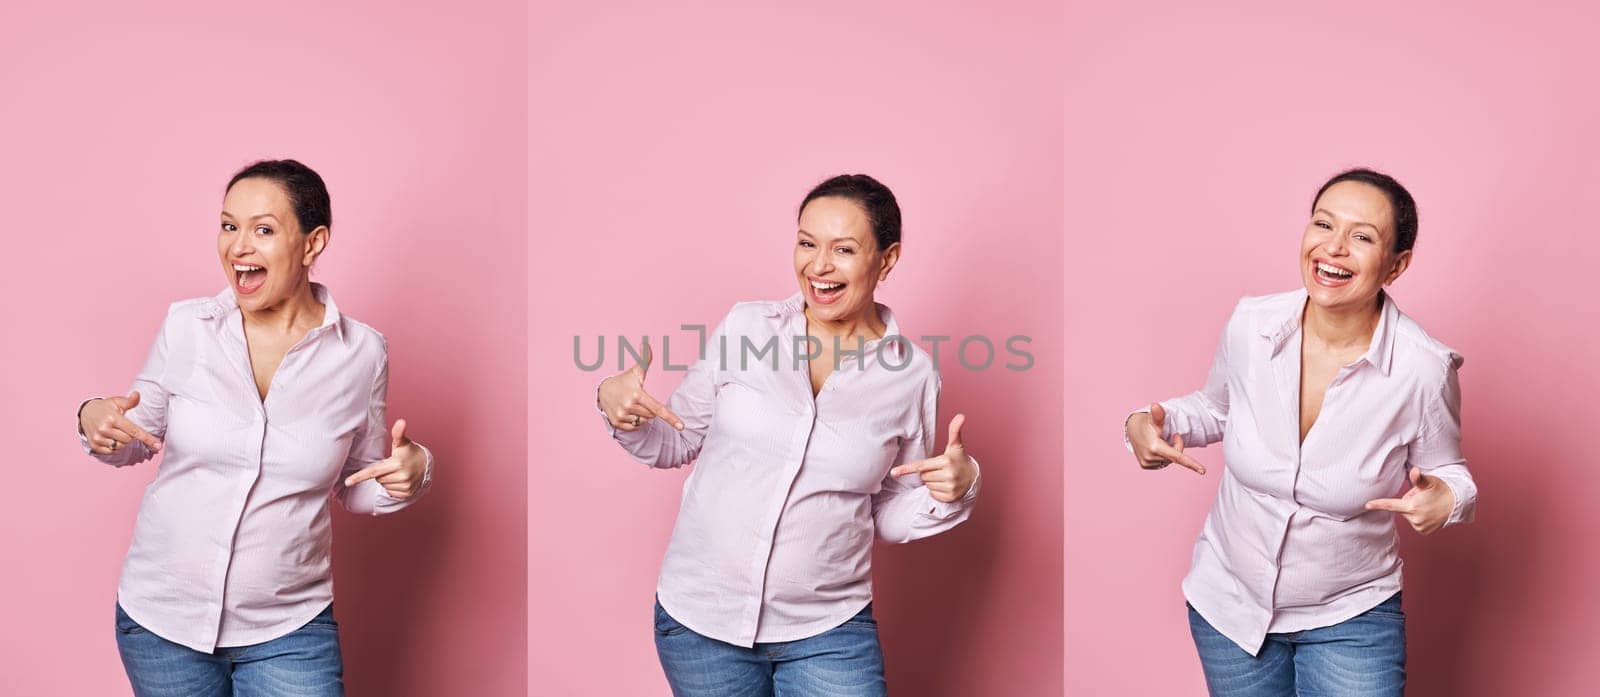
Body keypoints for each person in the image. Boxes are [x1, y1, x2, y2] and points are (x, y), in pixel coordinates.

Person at [596, 174, 981, 696]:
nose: (818, 266)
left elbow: (890, 510)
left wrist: (956, 489)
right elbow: (678, 441)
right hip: (700, 624)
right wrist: (620, 409)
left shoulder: (912, 375)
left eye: (843, 249)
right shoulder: (746, 328)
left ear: (887, 260)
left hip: (829, 631)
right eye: (806, 243)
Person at [76, 159, 435, 697]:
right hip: (161, 621)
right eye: (228, 226)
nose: (238, 246)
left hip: (289, 628)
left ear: (312, 245)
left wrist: (414, 472)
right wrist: (94, 419)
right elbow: (131, 437)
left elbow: (358, 484)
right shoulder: (187, 326)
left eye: (263, 230)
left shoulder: (361, 353)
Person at [1123, 168, 1477, 696]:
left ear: (1396, 264)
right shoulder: (1251, 324)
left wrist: (1445, 500)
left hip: (1352, 617)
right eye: (1323, 225)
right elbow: (1217, 408)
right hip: (1230, 607)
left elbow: (1451, 473)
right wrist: (1147, 424)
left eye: (1362, 237)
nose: (1333, 248)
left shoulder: (1422, 369)